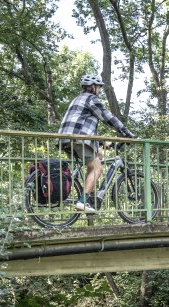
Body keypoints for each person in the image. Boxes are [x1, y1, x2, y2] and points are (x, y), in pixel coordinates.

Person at [57, 75, 137, 213]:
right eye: (99, 87)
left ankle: (88, 198)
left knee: (98, 156)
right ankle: (82, 202)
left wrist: (101, 143)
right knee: (98, 169)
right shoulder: (90, 98)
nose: (100, 90)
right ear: (93, 87)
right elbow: (107, 116)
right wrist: (126, 133)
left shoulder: (77, 99)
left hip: (66, 138)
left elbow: (83, 125)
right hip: (77, 139)